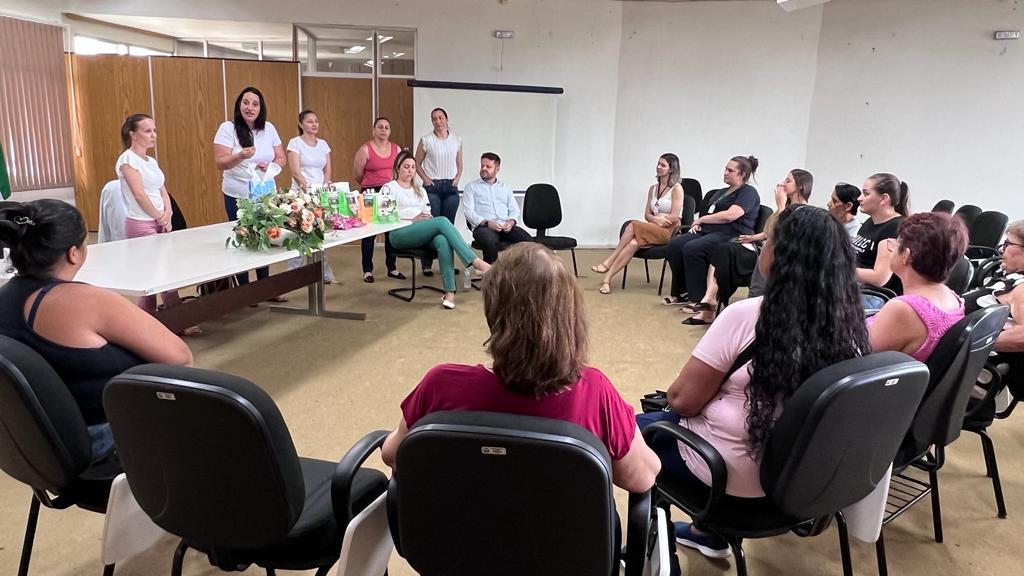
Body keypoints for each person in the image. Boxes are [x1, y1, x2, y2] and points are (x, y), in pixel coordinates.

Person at [637, 205, 868, 564]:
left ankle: (644, 549)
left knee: (633, 430)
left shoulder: (746, 316)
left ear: (781, 256)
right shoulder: (849, 325)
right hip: (801, 485)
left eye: (769, 241)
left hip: (727, 485)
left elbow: (682, 400)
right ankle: (707, 534)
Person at [381, 242, 661, 494]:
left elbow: (393, 455)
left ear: (493, 313)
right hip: (563, 549)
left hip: (457, 545)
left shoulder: (440, 384)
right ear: (570, 316)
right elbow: (643, 477)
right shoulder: (594, 393)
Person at [0, 200, 193, 457]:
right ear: (74, 253)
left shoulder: (4, 298)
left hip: (41, 448)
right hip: (110, 444)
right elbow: (181, 358)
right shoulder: (86, 302)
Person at [682, 169, 812, 325]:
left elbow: (784, 235)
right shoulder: (784, 208)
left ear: (801, 187)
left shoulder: (804, 212)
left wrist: (781, 204)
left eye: (788, 181)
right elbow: (767, 233)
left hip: (774, 257)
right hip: (762, 249)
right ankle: (710, 300)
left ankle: (711, 304)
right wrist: (752, 237)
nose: (783, 184)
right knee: (723, 249)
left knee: (726, 251)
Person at [116, 114, 202, 336]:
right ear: (132, 134)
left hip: (159, 220)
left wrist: (168, 213)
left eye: (154, 130)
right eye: (147, 131)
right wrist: (157, 216)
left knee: (165, 273)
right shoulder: (128, 161)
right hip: (141, 223)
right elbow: (139, 194)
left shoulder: (150, 161)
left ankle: (170, 321)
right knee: (153, 277)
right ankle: (147, 326)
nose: (153, 135)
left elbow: (161, 189)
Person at [386, 149, 490, 309]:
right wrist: (413, 217)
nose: (410, 170)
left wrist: (421, 218)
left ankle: (450, 293)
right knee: (441, 221)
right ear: (397, 168)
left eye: (413, 167)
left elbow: (426, 213)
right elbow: (387, 215)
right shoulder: (389, 188)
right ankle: (474, 261)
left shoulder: (420, 190)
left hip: (420, 231)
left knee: (442, 240)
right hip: (399, 233)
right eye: (406, 166)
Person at [213, 86, 287, 296]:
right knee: (243, 238)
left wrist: (269, 165)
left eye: (255, 104)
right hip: (237, 194)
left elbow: (280, 158)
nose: (250, 107)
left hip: (264, 193)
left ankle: (265, 287)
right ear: (239, 105)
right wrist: (240, 156)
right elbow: (220, 162)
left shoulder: (269, 129)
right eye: (246, 102)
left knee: (266, 235)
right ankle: (245, 290)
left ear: (261, 108)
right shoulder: (228, 128)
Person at [867, 212, 967, 361]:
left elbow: (860, 355)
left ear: (906, 255)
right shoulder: (953, 298)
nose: (892, 248)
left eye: (897, 243)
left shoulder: (904, 309)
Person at [663, 156, 761, 307]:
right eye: (725, 169)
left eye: (730, 170)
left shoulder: (748, 192)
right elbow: (707, 214)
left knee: (693, 248)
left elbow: (731, 215)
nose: (725, 172)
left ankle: (699, 298)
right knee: (675, 245)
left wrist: (702, 220)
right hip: (708, 231)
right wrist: (698, 224)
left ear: (742, 174)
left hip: (732, 234)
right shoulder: (721, 192)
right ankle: (682, 292)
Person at [591, 153, 684, 294]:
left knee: (633, 224)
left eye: (663, 165)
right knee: (633, 244)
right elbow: (647, 214)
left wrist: (660, 219)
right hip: (653, 227)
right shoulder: (653, 188)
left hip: (668, 231)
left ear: (671, 169)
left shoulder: (677, 189)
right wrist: (656, 219)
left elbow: (675, 216)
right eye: (658, 164)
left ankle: (610, 260)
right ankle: (606, 280)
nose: (658, 167)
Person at [285, 109, 336, 284]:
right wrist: (308, 191)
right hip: (301, 195)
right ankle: (293, 276)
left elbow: (327, 169)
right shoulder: (295, 143)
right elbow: (295, 171)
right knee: (299, 233)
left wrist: (326, 185)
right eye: (309, 121)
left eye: (316, 121)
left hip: (319, 194)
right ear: (301, 124)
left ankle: (324, 273)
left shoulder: (323, 144)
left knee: (320, 233)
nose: (314, 124)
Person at [353, 117, 404, 283]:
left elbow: (399, 171)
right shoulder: (365, 149)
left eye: (386, 127)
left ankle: (392, 267)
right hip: (370, 192)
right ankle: (367, 270)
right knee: (369, 233)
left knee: (391, 232)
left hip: (389, 192)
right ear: (374, 130)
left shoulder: (396, 149)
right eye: (380, 127)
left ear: (390, 131)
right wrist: (370, 187)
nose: (383, 130)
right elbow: (357, 174)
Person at [414, 107, 462, 277]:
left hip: (450, 187)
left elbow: (459, 163)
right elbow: (417, 163)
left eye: (441, 118)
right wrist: (426, 180)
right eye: (434, 119)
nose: (438, 121)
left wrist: (456, 180)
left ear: (446, 120)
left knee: (449, 228)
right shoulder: (426, 140)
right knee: (431, 226)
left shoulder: (456, 140)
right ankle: (426, 264)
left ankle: (446, 264)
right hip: (432, 188)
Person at [462, 152, 532, 264]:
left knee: (528, 241)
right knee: (490, 241)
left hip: (504, 226)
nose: (484, 168)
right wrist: (487, 223)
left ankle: (520, 275)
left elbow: (514, 209)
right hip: (483, 227)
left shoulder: (505, 188)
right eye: (482, 166)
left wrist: (511, 222)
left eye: (488, 166)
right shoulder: (471, 187)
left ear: (497, 169)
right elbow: (468, 212)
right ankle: (490, 276)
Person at [855, 173, 910, 309]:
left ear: (884, 199)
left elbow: (880, 277)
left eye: (866, 194)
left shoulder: (894, 227)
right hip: (858, 287)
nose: (859, 198)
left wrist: (838, 270)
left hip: (875, 296)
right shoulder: (870, 221)